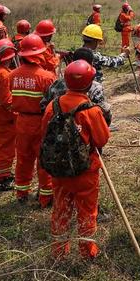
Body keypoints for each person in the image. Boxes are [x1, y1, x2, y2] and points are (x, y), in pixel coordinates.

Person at [41, 60, 110, 259]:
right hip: (85, 172)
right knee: (87, 211)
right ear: (89, 84)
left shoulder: (52, 107)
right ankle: (87, 252)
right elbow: (102, 139)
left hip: (59, 171)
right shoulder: (91, 110)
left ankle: (59, 252)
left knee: (61, 209)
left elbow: (44, 133)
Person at [10, 34, 55, 206]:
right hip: (41, 123)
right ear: (39, 54)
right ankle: (45, 196)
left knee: (22, 158)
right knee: (43, 160)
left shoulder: (12, 75)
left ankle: (21, 193)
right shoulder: (47, 77)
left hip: (21, 122)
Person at [41, 47, 112, 126]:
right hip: (85, 131)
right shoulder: (95, 87)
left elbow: (44, 107)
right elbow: (104, 116)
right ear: (91, 64)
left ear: (73, 62)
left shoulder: (57, 84)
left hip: (57, 133)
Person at [0, 39, 17, 191]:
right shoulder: (4, 75)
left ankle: (3, 174)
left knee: (2, 148)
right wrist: (19, 108)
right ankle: (1, 180)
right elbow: (7, 101)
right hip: (4, 120)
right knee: (5, 150)